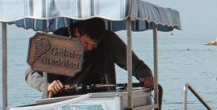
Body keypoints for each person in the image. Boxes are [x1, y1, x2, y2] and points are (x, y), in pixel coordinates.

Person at [26, 18, 155, 97]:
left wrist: (146, 77)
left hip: (102, 102)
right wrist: (47, 85)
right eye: (87, 43)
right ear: (77, 32)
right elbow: (30, 73)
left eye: (95, 45)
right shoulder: (57, 41)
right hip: (61, 103)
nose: (91, 48)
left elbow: (137, 66)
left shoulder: (109, 40)